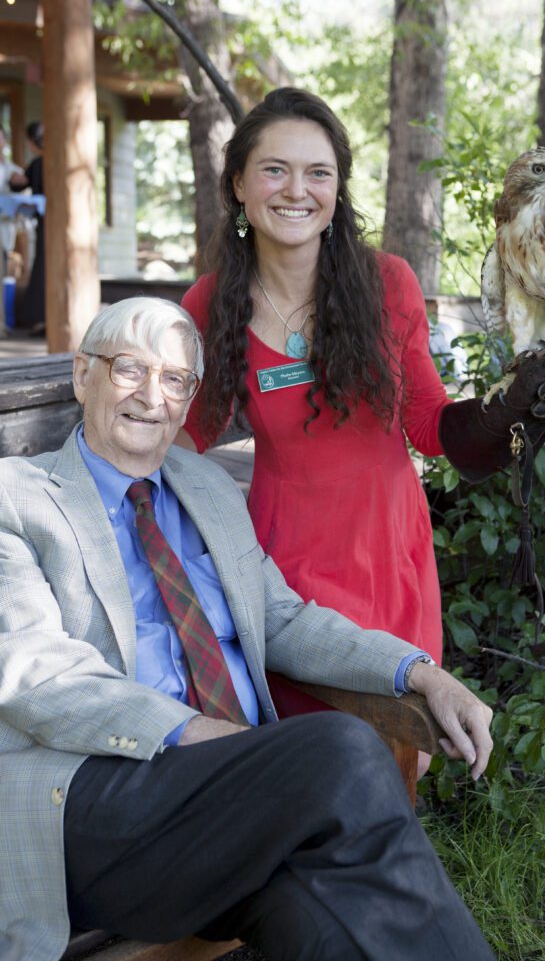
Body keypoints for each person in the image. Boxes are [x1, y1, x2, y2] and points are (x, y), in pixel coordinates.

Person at [0, 297, 499, 961]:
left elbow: (284, 619)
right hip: (92, 808)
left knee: (326, 918)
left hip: (223, 821)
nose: (152, 395)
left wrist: (418, 673)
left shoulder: (205, 488)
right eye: (128, 368)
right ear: (83, 376)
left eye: (174, 379)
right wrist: (209, 742)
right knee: (344, 753)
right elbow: (41, 678)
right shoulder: (16, 499)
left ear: (188, 401)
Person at [178, 87, 545, 719]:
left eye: (318, 173)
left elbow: (429, 426)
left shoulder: (387, 283)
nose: (296, 190)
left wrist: (505, 414)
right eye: (274, 169)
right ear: (239, 187)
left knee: (393, 740)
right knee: (308, 753)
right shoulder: (213, 300)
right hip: (282, 568)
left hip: (388, 550)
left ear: (337, 193)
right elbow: (186, 436)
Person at [9, 119, 45, 330]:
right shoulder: (37, 164)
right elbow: (18, 185)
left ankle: (40, 318)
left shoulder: (40, 163)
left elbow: (19, 184)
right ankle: (40, 318)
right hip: (45, 223)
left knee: (42, 265)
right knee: (42, 266)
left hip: (48, 223)